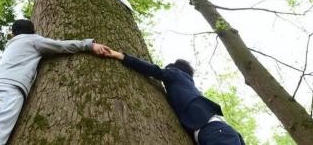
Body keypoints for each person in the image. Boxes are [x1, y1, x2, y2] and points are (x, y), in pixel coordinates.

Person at [0, 19, 112, 145]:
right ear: (32, 31)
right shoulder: (32, 40)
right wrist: (88, 45)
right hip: (6, 90)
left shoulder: (11, 44)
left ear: (13, 33)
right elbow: (60, 46)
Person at [103, 50, 245, 145]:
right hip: (217, 132)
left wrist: (122, 56)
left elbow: (154, 70)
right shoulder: (187, 87)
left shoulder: (177, 74)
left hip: (214, 131)